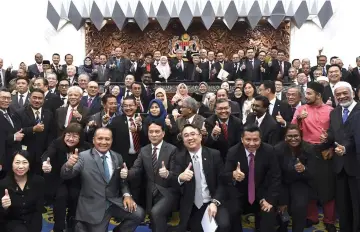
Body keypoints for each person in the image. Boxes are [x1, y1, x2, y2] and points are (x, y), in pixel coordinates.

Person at [60, 127, 145, 232]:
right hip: (93, 205)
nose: (103, 142)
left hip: (114, 202)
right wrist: (68, 165)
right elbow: (66, 175)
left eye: (107, 139)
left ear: (112, 140)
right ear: (93, 140)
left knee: (138, 214)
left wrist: (127, 195)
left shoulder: (117, 157)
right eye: (100, 138)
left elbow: (122, 181)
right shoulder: (83, 157)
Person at [120, 122, 179, 232]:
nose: (154, 134)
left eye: (157, 132)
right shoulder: (144, 150)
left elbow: (176, 175)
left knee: (156, 213)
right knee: (154, 220)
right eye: (151, 132)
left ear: (163, 133)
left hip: (167, 191)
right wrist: (127, 174)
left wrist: (167, 174)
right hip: (150, 192)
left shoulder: (172, 149)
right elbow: (136, 169)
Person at [318, 81, 360, 232]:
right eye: (338, 94)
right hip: (339, 166)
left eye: (344, 93)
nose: (342, 97)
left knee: (357, 205)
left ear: (353, 94)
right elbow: (334, 132)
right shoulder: (334, 112)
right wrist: (327, 137)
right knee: (343, 205)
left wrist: (346, 148)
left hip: (356, 165)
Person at [222, 124, 280, 232]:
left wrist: (269, 199)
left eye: (255, 140)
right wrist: (233, 175)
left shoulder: (269, 150)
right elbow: (225, 175)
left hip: (262, 192)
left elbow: (275, 177)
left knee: (268, 213)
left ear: (260, 139)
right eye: (248, 139)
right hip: (239, 193)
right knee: (232, 212)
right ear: (242, 139)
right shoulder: (233, 152)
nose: (252, 143)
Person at [173, 124, 230, 232]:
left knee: (223, 225)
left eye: (193, 134)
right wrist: (180, 178)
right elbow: (173, 182)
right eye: (186, 135)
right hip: (193, 204)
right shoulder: (179, 157)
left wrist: (215, 202)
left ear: (200, 136)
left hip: (213, 200)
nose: (190, 138)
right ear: (183, 140)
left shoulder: (214, 154)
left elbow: (223, 182)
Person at [42, 123, 92, 232]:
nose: (70, 139)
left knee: (75, 197)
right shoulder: (56, 143)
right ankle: (58, 227)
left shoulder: (86, 147)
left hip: (77, 180)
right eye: (68, 135)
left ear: (80, 137)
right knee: (61, 197)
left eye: (75, 136)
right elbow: (47, 155)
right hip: (59, 179)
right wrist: (45, 163)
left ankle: (71, 226)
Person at [275, 124, 316, 232]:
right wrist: (282, 201)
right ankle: (282, 227)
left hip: (301, 182)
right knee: (282, 207)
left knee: (299, 206)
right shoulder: (277, 149)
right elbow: (276, 175)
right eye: (290, 136)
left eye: (296, 136)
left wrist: (304, 169)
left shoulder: (309, 149)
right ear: (285, 137)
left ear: (301, 136)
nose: (293, 139)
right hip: (283, 183)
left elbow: (313, 173)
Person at [0, 150, 45, 232]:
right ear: (11, 164)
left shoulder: (38, 181)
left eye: (24, 162)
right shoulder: (3, 184)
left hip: (32, 220)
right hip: (12, 222)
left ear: (29, 165)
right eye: (17, 162)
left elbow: (39, 209)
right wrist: (4, 207)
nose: (20, 166)